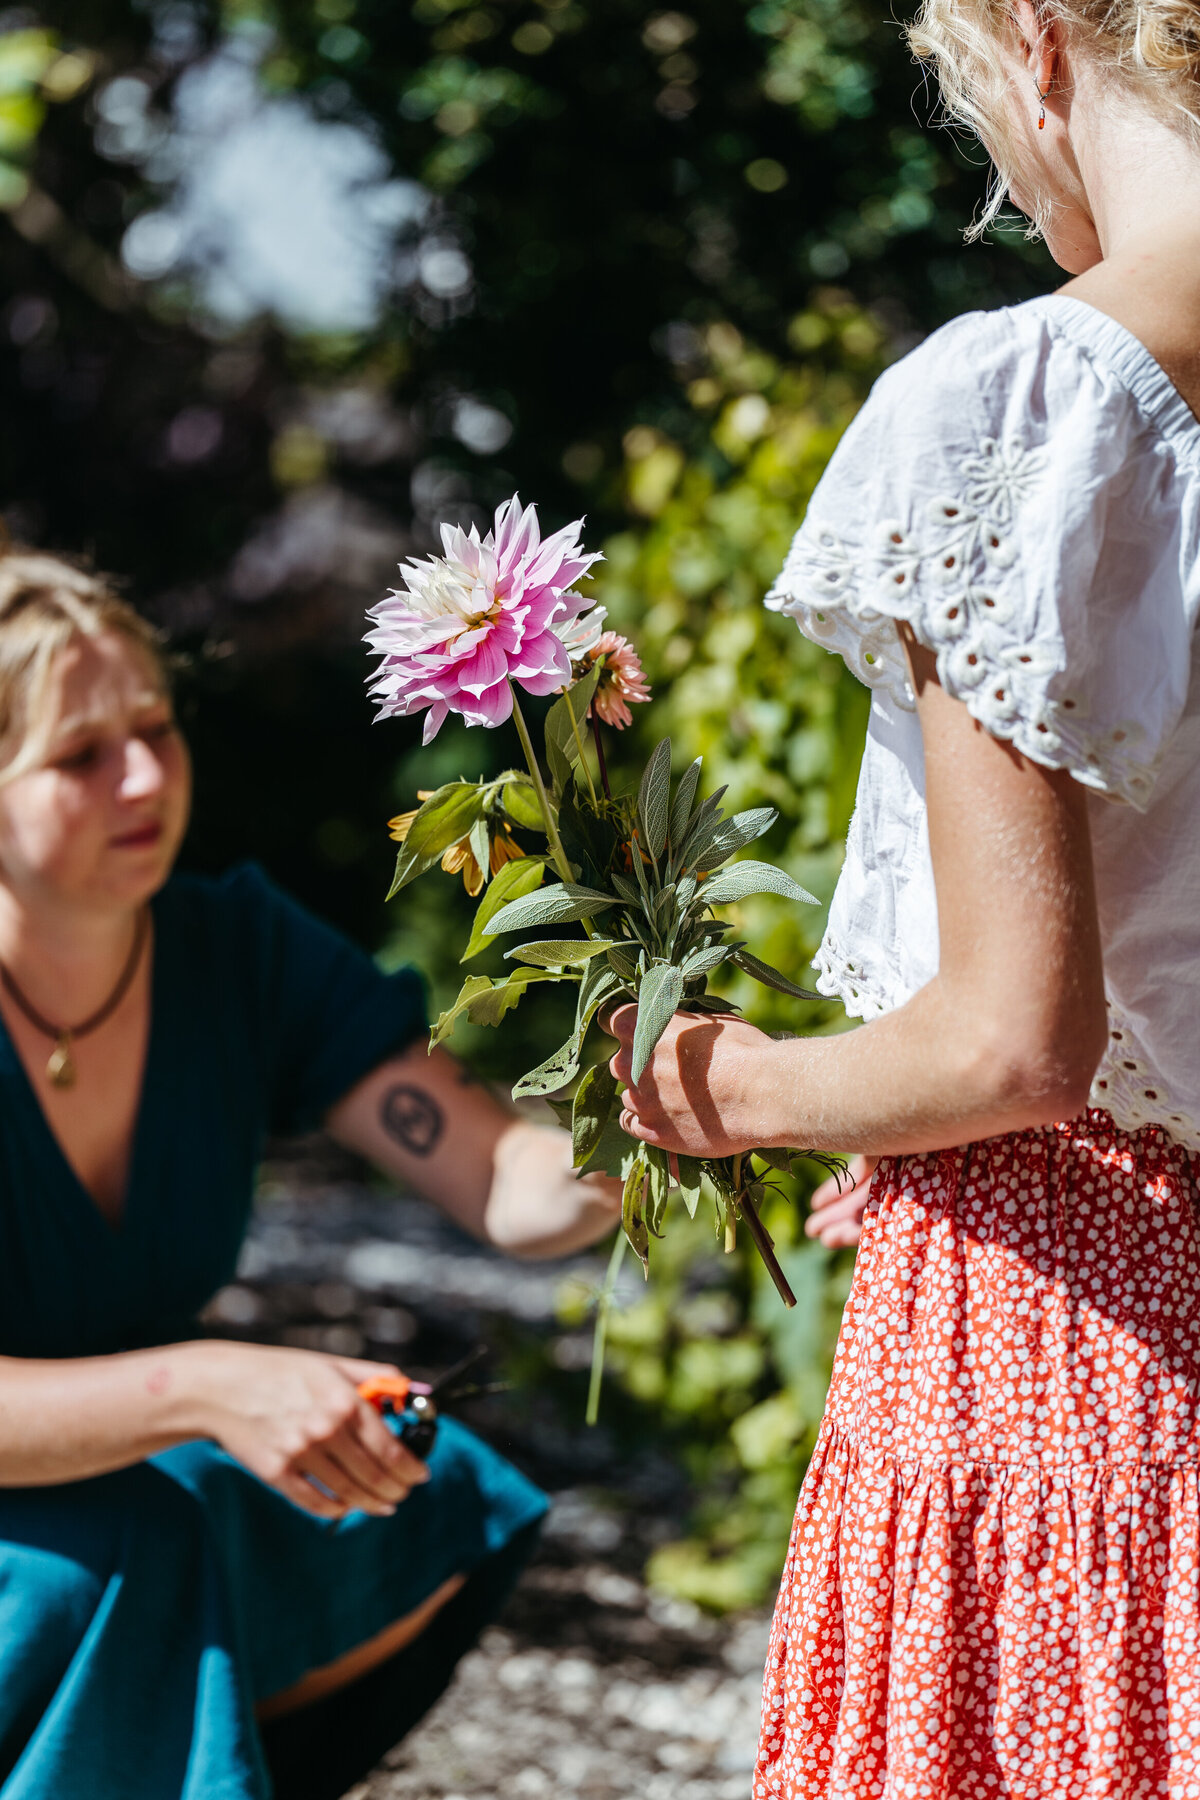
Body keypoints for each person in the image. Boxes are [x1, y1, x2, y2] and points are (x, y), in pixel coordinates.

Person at [612, 1, 1200, 1791]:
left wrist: (719, 1086)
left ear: (1034, 35)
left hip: (1072, 1330)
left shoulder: (1033, 397)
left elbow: (1016, 1039)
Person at [0, 546, 622, 1800]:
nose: (145, 776)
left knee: (416, 1478)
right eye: (80, 756)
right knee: (133, 1542)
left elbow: (496, 1171)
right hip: (66, 1508)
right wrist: (213, 1385)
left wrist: (655, 1130)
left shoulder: (233, 948)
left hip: (114, 1471)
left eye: (156, 728)